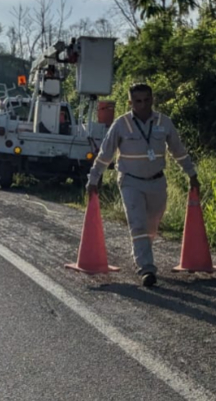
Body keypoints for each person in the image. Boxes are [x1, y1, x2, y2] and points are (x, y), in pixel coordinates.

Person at [85, 83, 200, 287]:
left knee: (151, 225)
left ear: (152, 100)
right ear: (130, 103)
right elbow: (105, 154)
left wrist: (191, 173)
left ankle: (142, 249)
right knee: (137, 224)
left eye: (147, 100)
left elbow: (178, 150)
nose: (143, 105)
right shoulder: (120, 125)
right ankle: (146, 268)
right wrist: (93, 179)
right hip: (130, 181)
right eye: (138, 101)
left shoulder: (164, 122)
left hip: (157, 182)